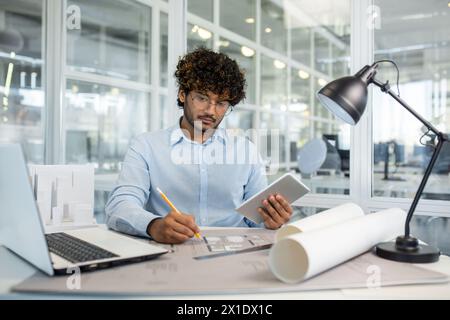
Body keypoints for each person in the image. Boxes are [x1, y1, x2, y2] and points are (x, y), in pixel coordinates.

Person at [105, 48, 293, 244]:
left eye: (221, 103)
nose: (211, 111)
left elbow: (256, 220)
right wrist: (154, 225)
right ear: (182, 95)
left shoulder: (246, 150)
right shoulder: (146, 146)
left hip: (235, 252)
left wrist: (271, 220)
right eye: (202, 98)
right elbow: (119, 206)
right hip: (170, 254)